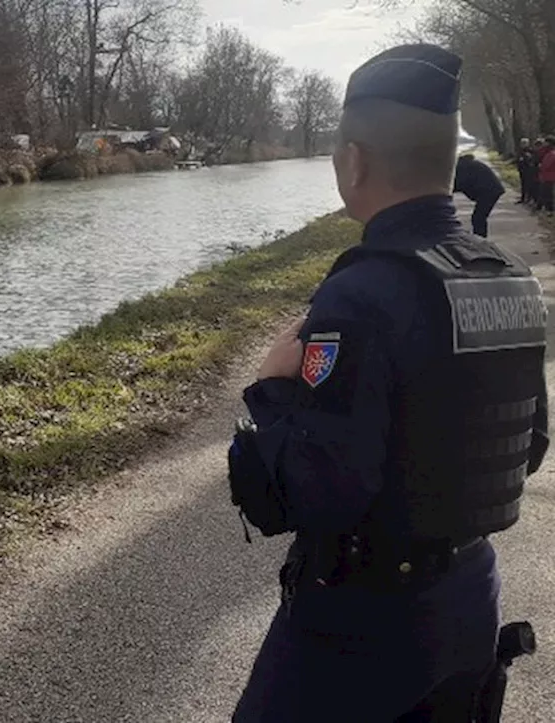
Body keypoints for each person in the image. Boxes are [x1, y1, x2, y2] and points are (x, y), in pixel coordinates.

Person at [228, 43, 549, 722]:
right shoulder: (509, 277)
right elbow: (529, 446)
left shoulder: (362, 295)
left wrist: (269, 391)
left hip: (360, 626)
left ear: (353, 162)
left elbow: (315, 492)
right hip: (468, 600)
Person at [452, 152, 505, 236]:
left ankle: (481, 239)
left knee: (478, 218)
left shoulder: (462, 167)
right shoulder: (466, 164)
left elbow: (460, 182)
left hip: (489, 191)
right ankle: (480, 237)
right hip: (490, 189)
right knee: (478, 217)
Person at [515, 138, 537, 205]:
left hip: (528, 171)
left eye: (525, 143)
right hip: (521, 170)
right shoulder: (520, 151)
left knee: (529, 185)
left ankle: (529, 199)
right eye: (522, 143)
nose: (523, 144)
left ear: (528, 143)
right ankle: (523, 198)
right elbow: (518, 159)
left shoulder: (531, 151)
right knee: (523, 185)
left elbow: (532, 160)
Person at [539, 136, 555, 214]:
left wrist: (541, 166)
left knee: (549, 194)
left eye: (546, 142)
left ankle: (550, 209)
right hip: (545, 177)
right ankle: (547, 208)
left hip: (550, 177)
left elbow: (547, 165)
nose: (544, 144)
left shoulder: (552, 154)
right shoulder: (547, 153)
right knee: (545, 193)